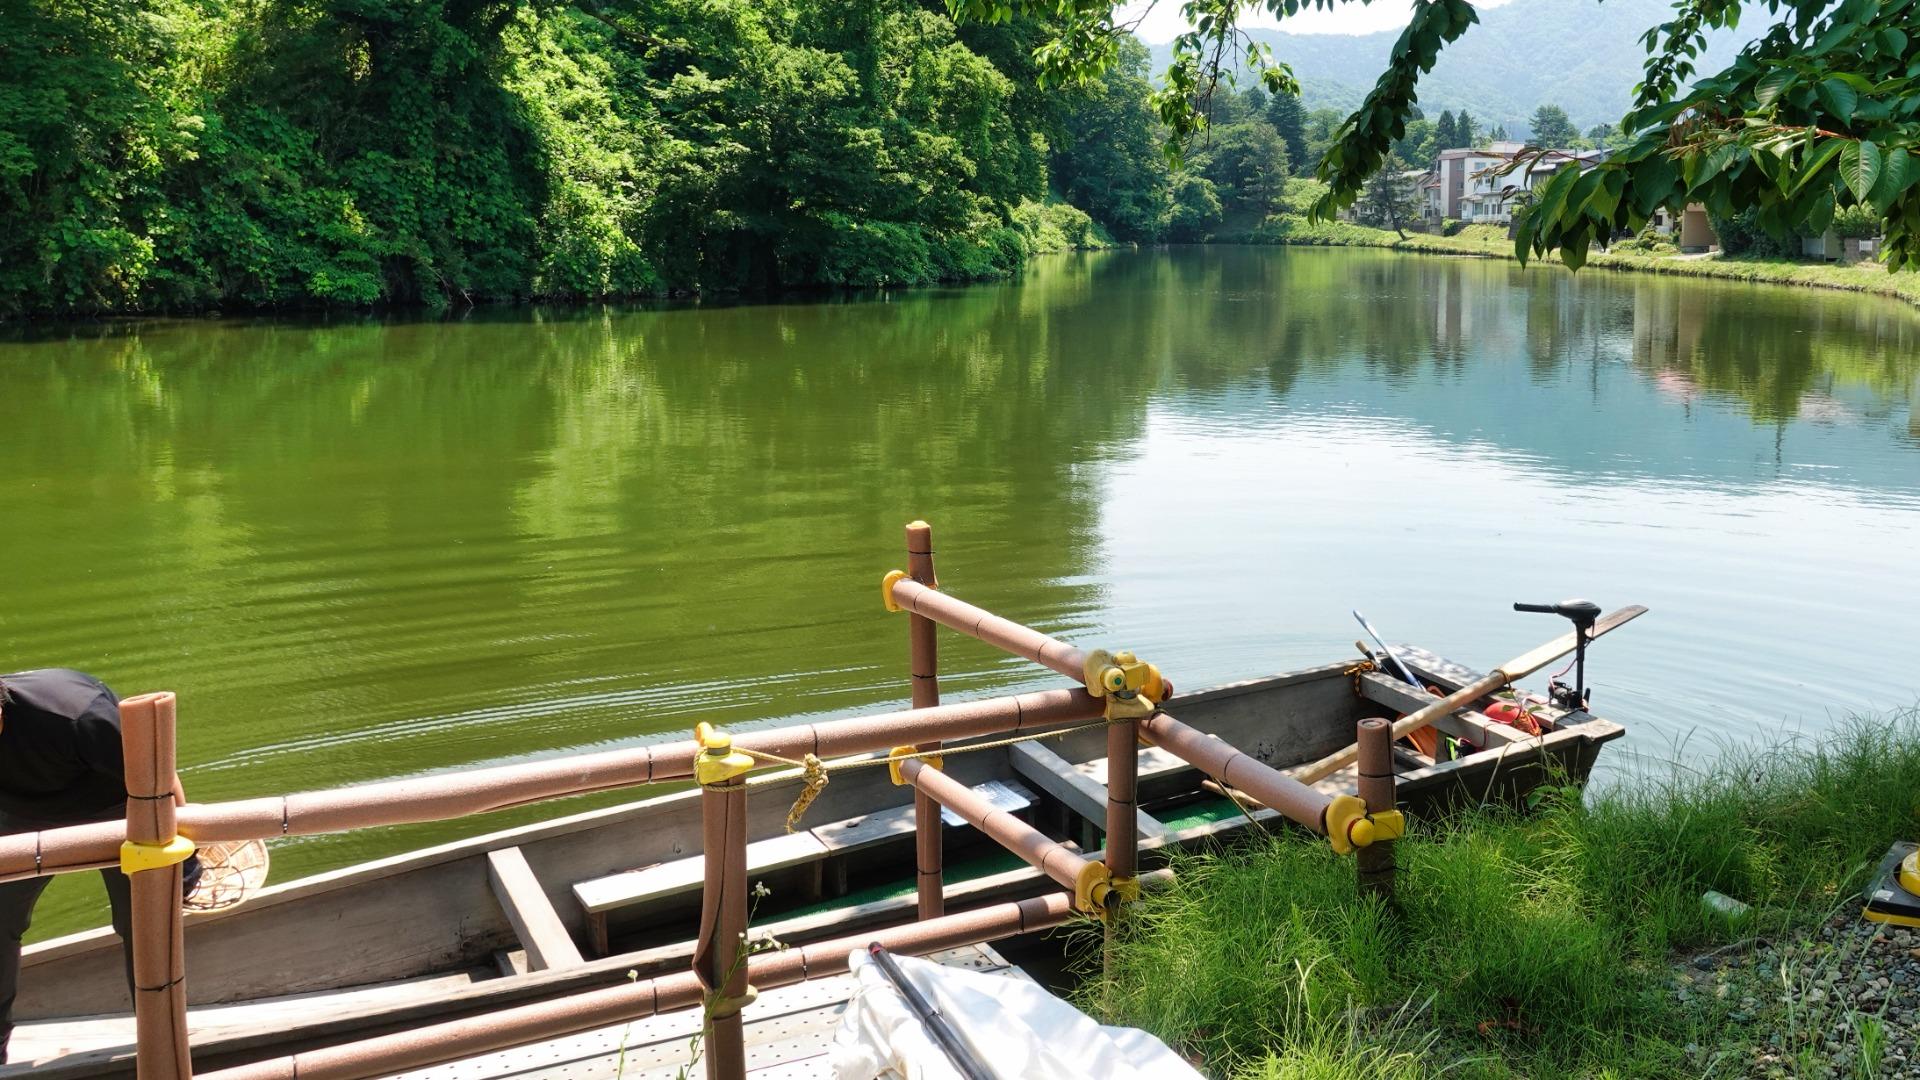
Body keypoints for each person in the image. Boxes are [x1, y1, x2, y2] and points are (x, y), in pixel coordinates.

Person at [0, 669, 196, 1065]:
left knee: (143, 920)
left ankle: (159, 1035)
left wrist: (186, 858)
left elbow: (159, 774)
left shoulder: (76, 714)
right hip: (20, 813)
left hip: (117, 806)